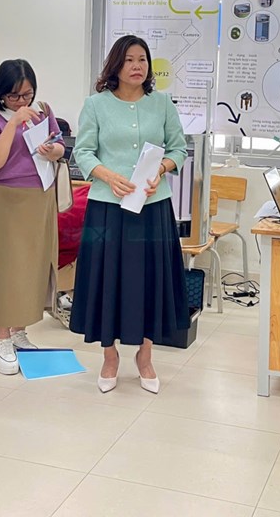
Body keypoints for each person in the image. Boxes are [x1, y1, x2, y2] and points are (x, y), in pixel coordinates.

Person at [70, 35, 188, 395]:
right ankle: (109, 356)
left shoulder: (162, 103)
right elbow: (83, 151)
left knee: (151, 279)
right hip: (108, 207)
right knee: (109, 279)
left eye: (142, 60)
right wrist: (108, 176)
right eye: (129, 60)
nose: (137, 66)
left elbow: (179, 149)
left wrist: (161, 170)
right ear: (116, 65)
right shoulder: (96, 105)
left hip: (152, 207)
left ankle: (145, 355)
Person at [0, 59, 65, 375]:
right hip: (10, 197)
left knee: (34, 265)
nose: (22, 101)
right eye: (15, 96)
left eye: (27, 94)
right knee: (7, 267)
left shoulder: (43, 111)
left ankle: (20, 331)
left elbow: (60, 145)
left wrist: (53, 151)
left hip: (42, 195)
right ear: (1, 93)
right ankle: (2, 336)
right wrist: (14, 122)